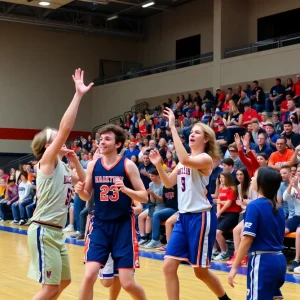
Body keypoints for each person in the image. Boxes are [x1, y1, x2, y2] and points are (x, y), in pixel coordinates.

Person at [149, 107, 231, 300]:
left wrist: (173, 127)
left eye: (197, 132)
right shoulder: (183, 162)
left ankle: (225, 299)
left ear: (206, 139)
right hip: (183, 217)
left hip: (200, 217)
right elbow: (169, 182)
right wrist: (158, 165)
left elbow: (184, 158)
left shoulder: (205, 159)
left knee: (200, 271)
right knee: (168, 266)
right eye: (191, 131)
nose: (192, 134)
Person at [27, 69, 91, 300]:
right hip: (43, 230)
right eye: (55, 137)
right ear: (48, 147)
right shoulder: (46, 162)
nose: (60, 137)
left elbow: (84, 184)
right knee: (51, 288)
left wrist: (74, 160)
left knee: (64, 282)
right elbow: (65, 129)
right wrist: (78, 95)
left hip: (56, 231)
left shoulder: (63, 167)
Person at [75, 124, 147, 300]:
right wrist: (79, 191)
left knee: (127, 283)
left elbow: (144, 197)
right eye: (101, 139)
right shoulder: (93, 165)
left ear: (118, 144)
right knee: (89, 275)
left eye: (107, 139)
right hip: (99, 225)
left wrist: (126, 190)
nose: (102, 142)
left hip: (123, 226)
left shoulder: (128, 165)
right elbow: (87, 195)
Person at [228, 167, 286, 300]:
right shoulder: (279, 208)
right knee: (275, 297)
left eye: (254, 176)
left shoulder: (254, 206)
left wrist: (235, 266)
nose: (252, 178)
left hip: (262, 261)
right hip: (279, 260)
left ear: (262, 182)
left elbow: (247, 239)